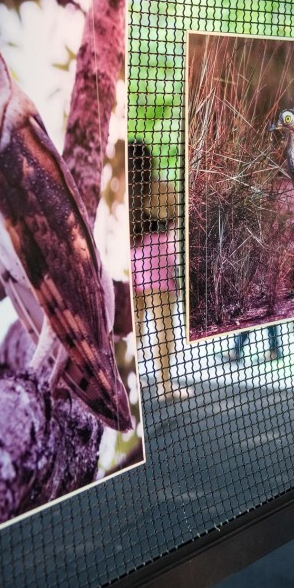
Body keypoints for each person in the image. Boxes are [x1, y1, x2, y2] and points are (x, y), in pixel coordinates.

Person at [129, 140, 192, 402]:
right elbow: (176, 220)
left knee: (137, 326)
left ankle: (133, 380)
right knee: (164, 326)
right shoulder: (162, 189)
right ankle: (165, 385)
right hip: (157, 264)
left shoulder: (127, 192)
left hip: (130, 262)